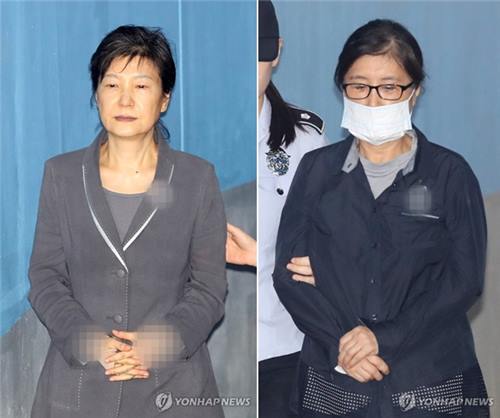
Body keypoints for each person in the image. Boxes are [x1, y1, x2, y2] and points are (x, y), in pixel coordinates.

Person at [273, 19, 489, 417]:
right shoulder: (317, 170)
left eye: (389, 87)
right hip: (337, 378)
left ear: (414, 91)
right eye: (359, 86)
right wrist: (344, 345)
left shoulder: (449, 174)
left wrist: (380, 338)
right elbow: (288, 276)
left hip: (430, 380)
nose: (373, 101)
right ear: (342, 89)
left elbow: (464, 280)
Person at [28, 25, 227, 418]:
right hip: (79, 388)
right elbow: (45, 278)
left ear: (164, 98)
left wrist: (158, 344)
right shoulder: (61, 175)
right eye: (112, 84)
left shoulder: (196, 178)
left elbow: (209, 288)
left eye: (141, 86)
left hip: (172, 389)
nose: (124, 99)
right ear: (96, 93)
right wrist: (90, 343)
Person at [255, 1, 329, 417]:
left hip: (286, 344)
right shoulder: (185, 136)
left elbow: (331, 239)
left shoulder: (305, 141)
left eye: (258, 52)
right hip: (207, 345)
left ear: (276, 51)